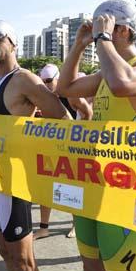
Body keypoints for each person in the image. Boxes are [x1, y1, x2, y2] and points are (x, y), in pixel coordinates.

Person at [57, 0, 136, 271]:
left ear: (122, 30)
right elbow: (64, 89)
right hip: (94, 186)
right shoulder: (106, 72)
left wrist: (102, 38)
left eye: (102, 27)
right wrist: (78, 46)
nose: (96, 34)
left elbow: (122, 84)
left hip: (128, 193)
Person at [0, 20, 69, 271]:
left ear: (13, 43)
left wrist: (36, 150)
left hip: (15, 181)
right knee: (6, 253)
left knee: (23, 260)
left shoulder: (24, 80)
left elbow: (63, 119)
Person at [35, 64, 92, 240]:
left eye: (49, 81)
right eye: (43, 81)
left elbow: (88, 114)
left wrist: (76, 134)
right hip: (53, 147)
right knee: (45, 186)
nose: (46, 85)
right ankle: (44, 227)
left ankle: (75, 225)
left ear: (58, 78)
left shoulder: (71, 94)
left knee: (73, 189)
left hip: (73, 148)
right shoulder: (44, 96)